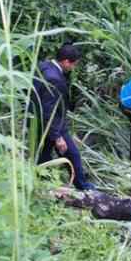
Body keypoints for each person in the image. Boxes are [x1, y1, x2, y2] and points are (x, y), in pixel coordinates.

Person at [31, 43, 95, 190]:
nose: (73, 68)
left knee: (43, 155)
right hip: (52, 124)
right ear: (66, 62)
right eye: (74, 65)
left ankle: (41, 184)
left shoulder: (44, 66)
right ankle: (82, 186)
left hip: (37, 120)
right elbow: (49, 110)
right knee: (72, 154)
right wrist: (57, 137)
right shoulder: (55, 79)